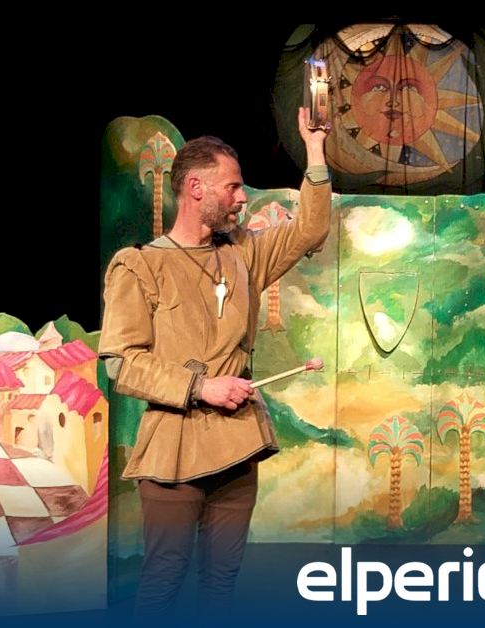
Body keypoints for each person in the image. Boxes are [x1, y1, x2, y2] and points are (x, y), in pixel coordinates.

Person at [99, 108, 330, 616]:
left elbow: (310, 230)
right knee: (164, 579)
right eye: (233, 187)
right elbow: (121, 363)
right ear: (196, 188)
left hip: (236, 445)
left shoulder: (242, 254)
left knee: (221, 583)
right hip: (174, 450)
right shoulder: (139, 266)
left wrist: (314, 150)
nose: (242, 198)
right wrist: (201, 388)